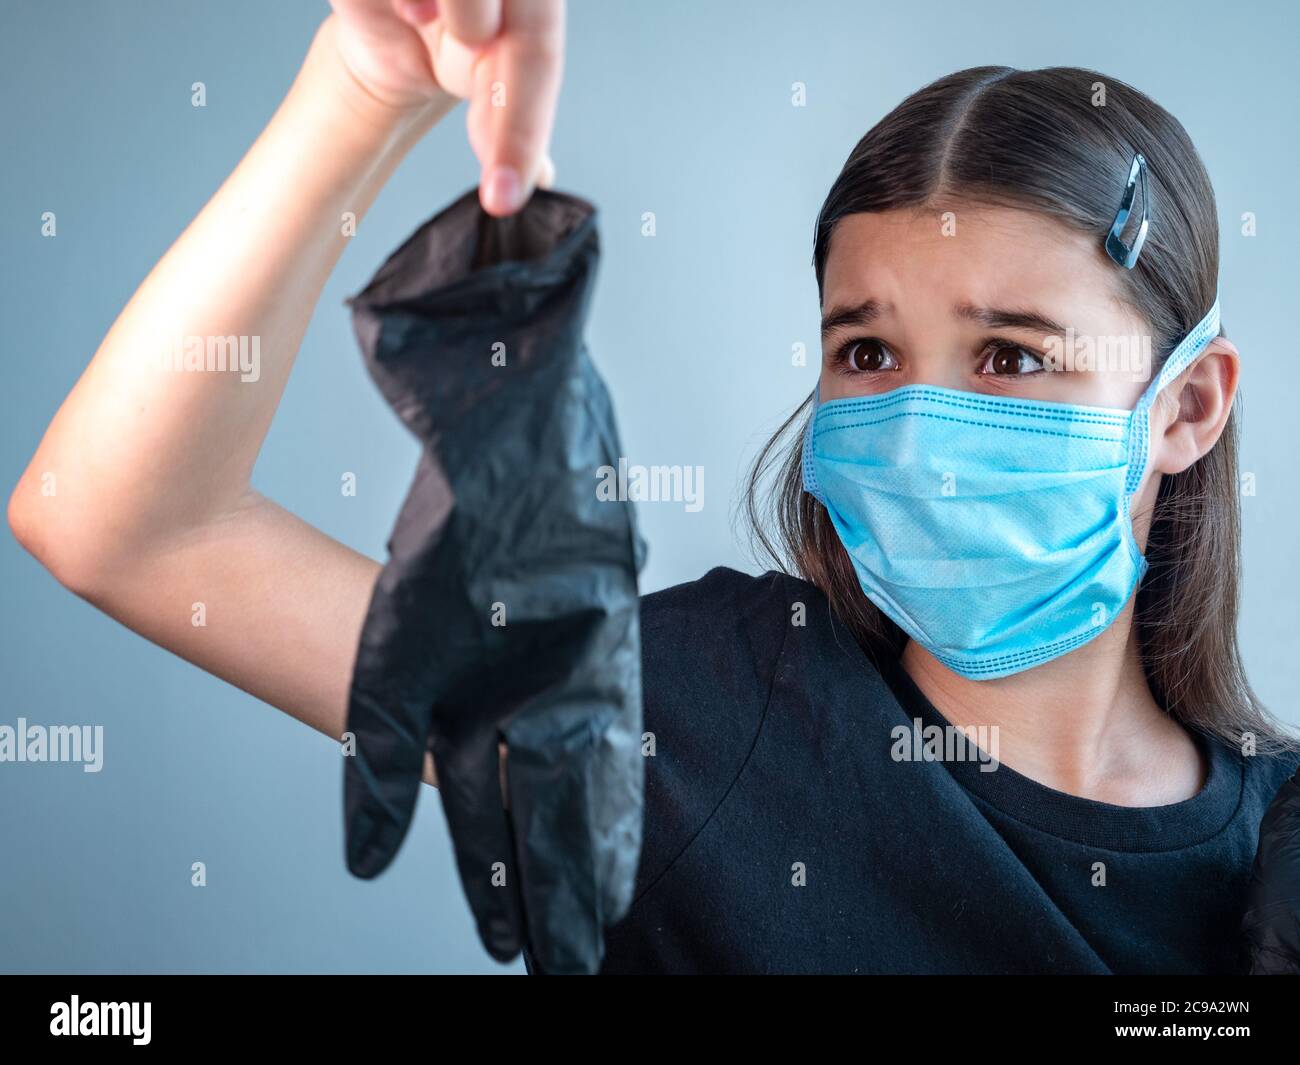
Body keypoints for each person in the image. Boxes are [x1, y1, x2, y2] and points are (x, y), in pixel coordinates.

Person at [9, 0, 1298, 974]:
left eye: (1010, 356)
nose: (915, 432)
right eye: (868, 352)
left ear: (1187, 406)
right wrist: (357, 93)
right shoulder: (688, 714)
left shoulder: (1282, 854)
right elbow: (127, 528)